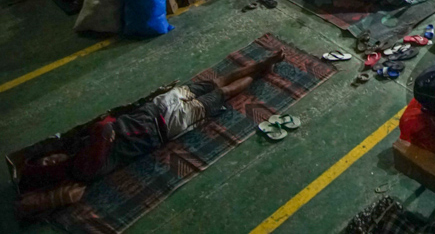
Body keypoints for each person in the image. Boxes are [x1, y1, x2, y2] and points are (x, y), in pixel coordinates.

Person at [16, 51, 285, 215]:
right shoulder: (84, 168)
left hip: (156, 108)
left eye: (45, 158)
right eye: (48, 164)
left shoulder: (76, 150)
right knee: (224, 93)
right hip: (168, 124)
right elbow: (103, 128)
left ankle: (265, 63)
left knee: (218, 82)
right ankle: (261, 72)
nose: (50, 159)